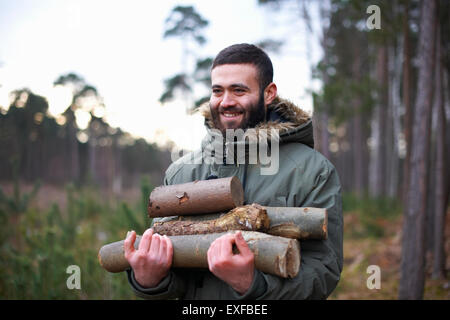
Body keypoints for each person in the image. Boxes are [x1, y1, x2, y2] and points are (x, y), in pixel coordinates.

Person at [124, 43, 343, 299]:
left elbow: (323, 271)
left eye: (238, 90)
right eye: (218, 91)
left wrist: (252, 284)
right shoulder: (181, 172)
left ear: (269, 93)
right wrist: (149, 279)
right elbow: (176, 276)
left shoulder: (312, 171)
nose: (226, 102)